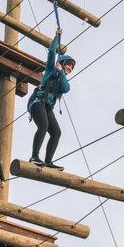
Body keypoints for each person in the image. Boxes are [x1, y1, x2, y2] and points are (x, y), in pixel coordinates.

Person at [27, 29, 75, 170]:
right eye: (69, 65)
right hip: (37, 101)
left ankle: (48, 161)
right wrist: (57, 37)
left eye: (72, 67)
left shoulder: (63, 80)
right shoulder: (50, 70)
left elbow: (66, 89)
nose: (71, 68)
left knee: (56, 132)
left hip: (47, 107)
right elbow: (51, 52)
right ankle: (34, 156)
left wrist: (61, 72)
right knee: (43, 126)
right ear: (62, 62)